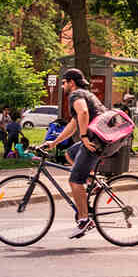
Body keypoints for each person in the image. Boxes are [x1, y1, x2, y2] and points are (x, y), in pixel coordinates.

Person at [37, 67, 107, 239]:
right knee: (69, 153)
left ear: (71, 83)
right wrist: (54, 143)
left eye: (64, 82)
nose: (62, 86)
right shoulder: (85, 93)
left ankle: (84, 220)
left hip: (93, 141)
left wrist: (83, 137)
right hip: (98, 138)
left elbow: (83, 112)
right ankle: (93, 182)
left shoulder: (75, 95)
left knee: (75, 180)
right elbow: (74, 124)